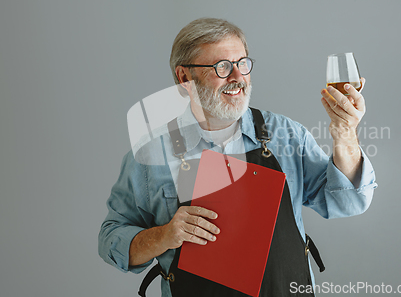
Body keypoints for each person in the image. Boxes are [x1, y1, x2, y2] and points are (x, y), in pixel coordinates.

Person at [98, 18, 377, 297]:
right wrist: (164, 235)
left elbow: (349, 200)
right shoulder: (150, 155)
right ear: (184, 78)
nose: (237, 77)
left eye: (242, 63)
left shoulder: (287, 135)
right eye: (221, 67)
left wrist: (346, 134)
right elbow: (111, 239)